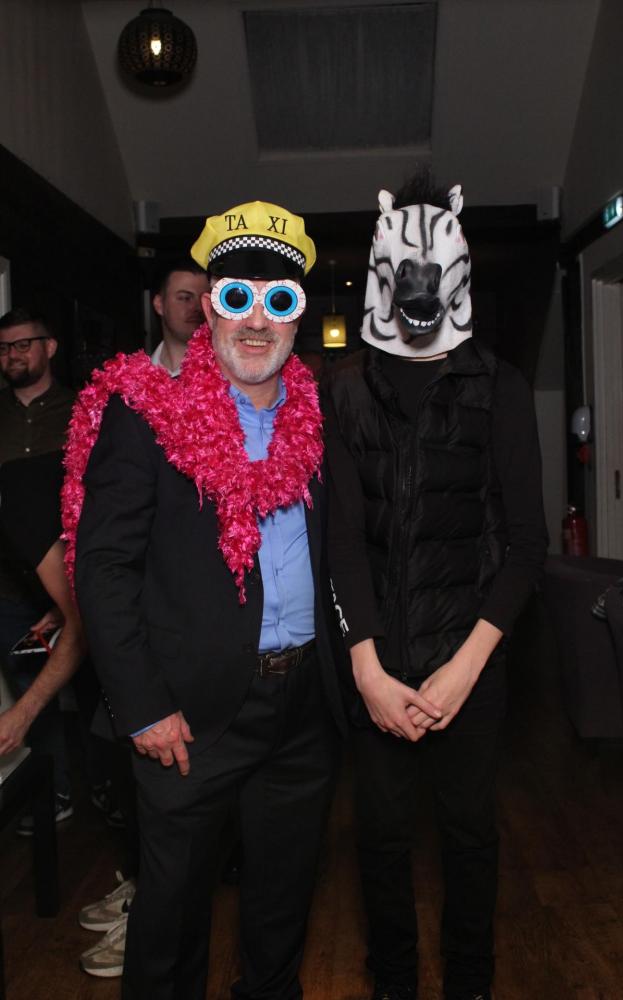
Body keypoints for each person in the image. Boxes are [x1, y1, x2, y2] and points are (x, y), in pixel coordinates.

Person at [63, 199, 347, 1000]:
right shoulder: (144, 415)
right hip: (187, 715)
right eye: (236, 299)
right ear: (207, 312)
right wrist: (142, 706)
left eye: (277, 302)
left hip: (304, 706)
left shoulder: (320, 416)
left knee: (282, 905)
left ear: (297, 318)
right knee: (171, 922)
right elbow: (103, 568)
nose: (256, 322)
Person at [321, 172, 548, 1000]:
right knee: (380, 838)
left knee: (468, 832)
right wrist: (366, 667)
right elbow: (340, 539)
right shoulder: (344, 390)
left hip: (470, 658)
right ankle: (391, 982)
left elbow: (525, 545)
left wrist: (466, 668)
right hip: (378, 662)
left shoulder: (500, 387)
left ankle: (470, 983)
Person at [76, 256, 209, 979]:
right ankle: (143, 895)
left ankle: (158, 906)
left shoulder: (235, 386)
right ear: (159, 304)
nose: (195, 308)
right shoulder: (124, 391)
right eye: (183, 296)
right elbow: (100, 530)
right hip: (134, 624)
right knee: (131, 774)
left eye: (205, 297)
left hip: (201, 630)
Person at [0, 307, 77, 826]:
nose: (13, 355)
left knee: (95, 694)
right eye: (4, 348)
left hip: (74, 577)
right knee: (32, 688)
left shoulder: (82, 409)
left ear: (49, 347)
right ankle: (52, 796)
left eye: (23, 344)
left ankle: (106, 790)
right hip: (10, 583)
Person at [150, 258, 208, 375]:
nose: (198, 307)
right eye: (185, 298)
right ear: (159, 304)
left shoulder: (229, 375)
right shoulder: (135, 378)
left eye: (204, 299)